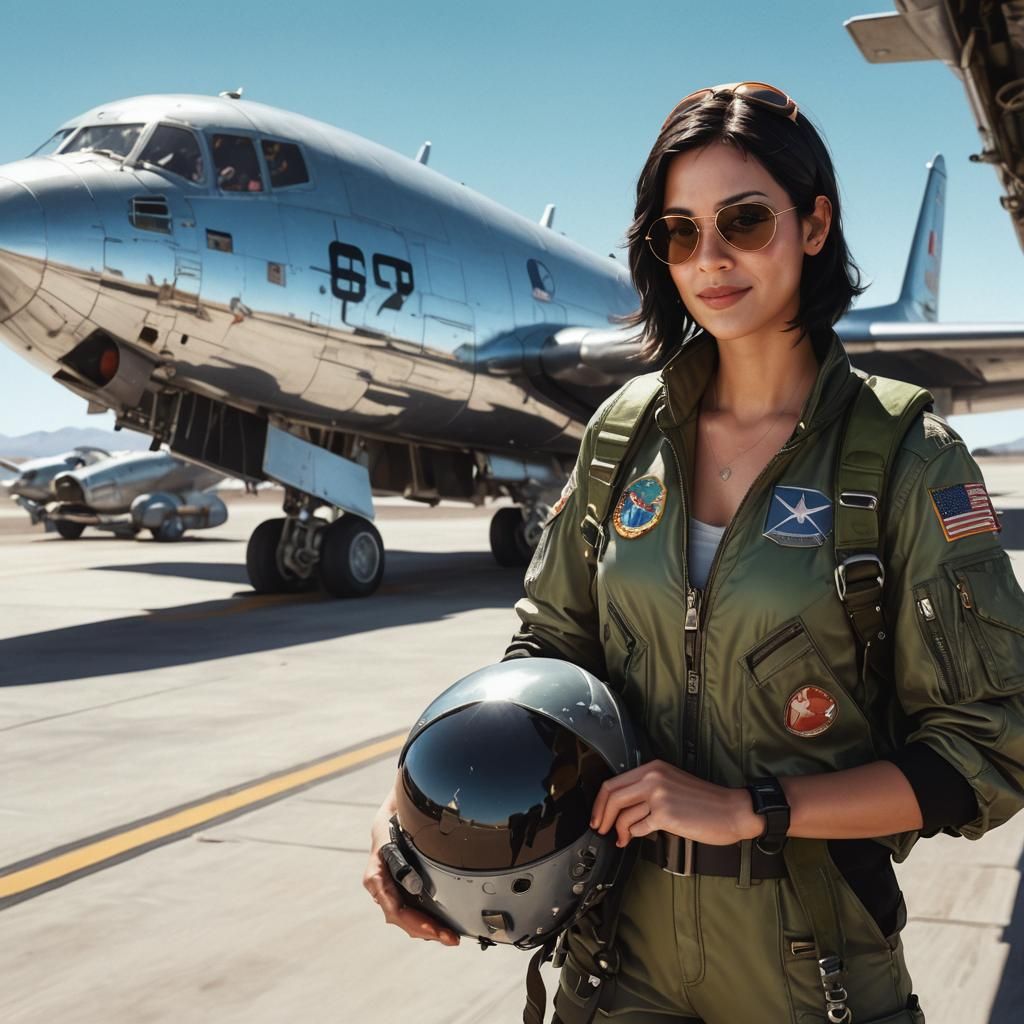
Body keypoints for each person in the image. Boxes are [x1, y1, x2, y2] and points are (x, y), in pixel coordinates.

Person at [364, 82, 1024, 1023]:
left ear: (816, 223)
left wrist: (755, 809)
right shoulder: (622, 436)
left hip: (813, 972)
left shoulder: (907, 458)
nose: (709, 259)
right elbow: (549, 658)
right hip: (612, 964)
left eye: (744, 221)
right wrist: (424, 835)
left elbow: (987, 752)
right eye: (679, 232)